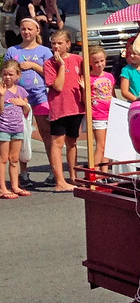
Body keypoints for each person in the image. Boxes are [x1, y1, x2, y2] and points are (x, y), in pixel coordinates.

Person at [3, 17, 53, 186]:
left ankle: (54, 170)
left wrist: (33, 65)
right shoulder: (12, 51)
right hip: (17, 98)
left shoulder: (45, 52)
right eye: (23, 29)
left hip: (40, 96)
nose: (26, 32)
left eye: (30, 29)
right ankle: (23, 173)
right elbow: (6, 75)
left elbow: (52, 75)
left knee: (46, 132)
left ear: (37, 31)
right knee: (21, 134)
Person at [43, 29, 85, 192]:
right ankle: (59, 180)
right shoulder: (49, 63)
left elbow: (83, 80)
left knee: (72, 142)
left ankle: (73, 177)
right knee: (57, 142)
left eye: (59, 43)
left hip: (76, 106)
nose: (56, 47)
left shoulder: (77, 59)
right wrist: (61, 65)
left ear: (68, 44)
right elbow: (58, 86)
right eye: (53, 43)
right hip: (59, 108)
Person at [0, 59, 32, 198]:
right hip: (3, 129)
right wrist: (1, 96)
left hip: (17, 129)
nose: (7, 77)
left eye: (11, 74)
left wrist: (22, 104)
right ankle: (3, 188)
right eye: (5, 74)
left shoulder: (21, 91)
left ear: (18, 75)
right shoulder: (1, 89)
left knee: (14, 159)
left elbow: (26, 112)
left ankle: (15, 186)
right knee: (3, 159)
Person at [88, 46, 115, 168]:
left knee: (109, 146)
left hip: (110, 113)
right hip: (97, 115)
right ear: (90, 63)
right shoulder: (88, 78)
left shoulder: (109, 76)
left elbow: (113, 94)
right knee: (101, 145)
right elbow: (85, 99)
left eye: (101, 61)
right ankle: (94, 172)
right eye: (96, 62)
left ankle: (104, 173)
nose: (99, 64)